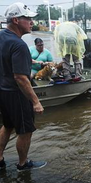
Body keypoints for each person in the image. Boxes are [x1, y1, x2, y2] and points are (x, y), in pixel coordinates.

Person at [0, 2, 46, 171]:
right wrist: (35, 101)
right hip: (17, 94)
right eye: (27, 18)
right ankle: (23, 163)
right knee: (25, 131)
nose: (31, 22)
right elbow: (20, 77)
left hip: (3, 91)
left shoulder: (2, 36)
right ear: (16, 20)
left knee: (8, 125)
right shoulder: (19, 45)